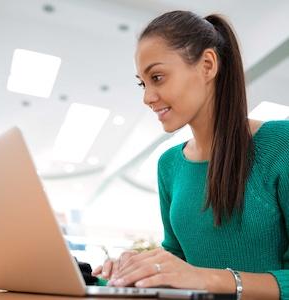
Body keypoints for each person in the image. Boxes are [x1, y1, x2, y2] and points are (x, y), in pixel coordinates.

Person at [92, 10, 289, 300]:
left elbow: (195, 275)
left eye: (157, 77)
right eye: (142, 83)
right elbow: (177, 256)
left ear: (207, 65)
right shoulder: (169, 164)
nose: (147, 97)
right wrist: (137, 273)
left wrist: (205, 278)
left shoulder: (281, 144)